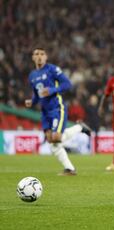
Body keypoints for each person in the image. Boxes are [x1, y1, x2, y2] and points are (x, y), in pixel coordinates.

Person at [25, 47, 91, 175]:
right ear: (33, 57)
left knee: (56, 137)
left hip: (56, 107)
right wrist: (32, 101)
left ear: (46, 57)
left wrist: (51, 90)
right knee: (52, 141)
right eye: (36, 54)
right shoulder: (32, 75)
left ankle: (79, 127)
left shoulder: (52, 69)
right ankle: (70, 169)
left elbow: (67, 84)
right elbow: (37, 93)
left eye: (42, 54)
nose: (39, 56)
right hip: (44, 112)